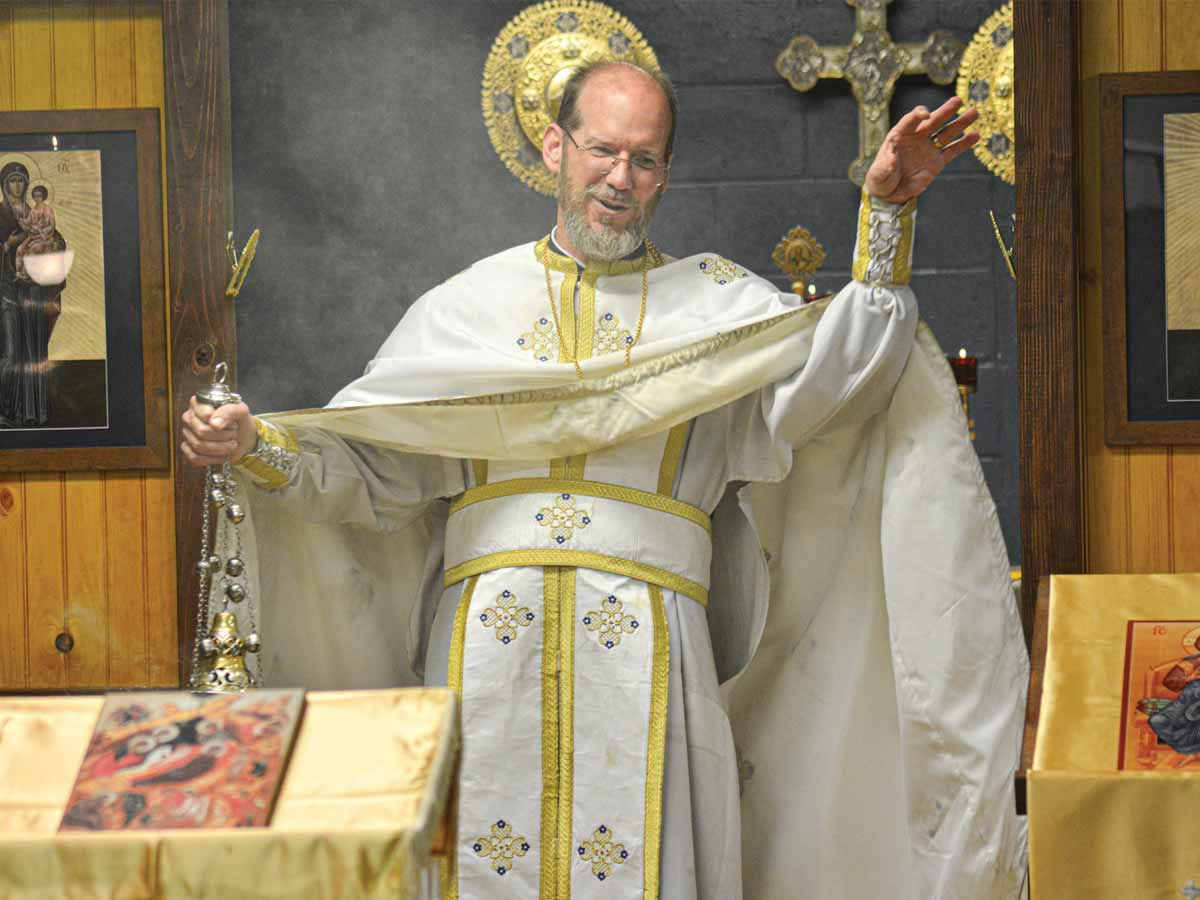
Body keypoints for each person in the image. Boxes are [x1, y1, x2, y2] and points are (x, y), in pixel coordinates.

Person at [182, 62, 1028, 900]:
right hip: (484, 654)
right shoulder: (464, 309)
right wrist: (255, 443)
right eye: (601, 150)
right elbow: (368, 470)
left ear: (666, 173)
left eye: (646, 160)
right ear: (553, 148)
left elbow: (844, 380)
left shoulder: (716, 308)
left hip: (654, 651)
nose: (620, 180)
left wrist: (885, 215)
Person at [0, 163, 67, 427]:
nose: (17, 186)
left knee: (34, 351)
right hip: (6, 289)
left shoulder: (36, 212)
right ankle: (5, 409)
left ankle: (31, 412)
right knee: (11, 350)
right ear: (4, 185)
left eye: (20, 181)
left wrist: (57, 244)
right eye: (12, 181)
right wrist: (10, 243)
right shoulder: (1, 213)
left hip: (34, 291)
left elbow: (57, 239)